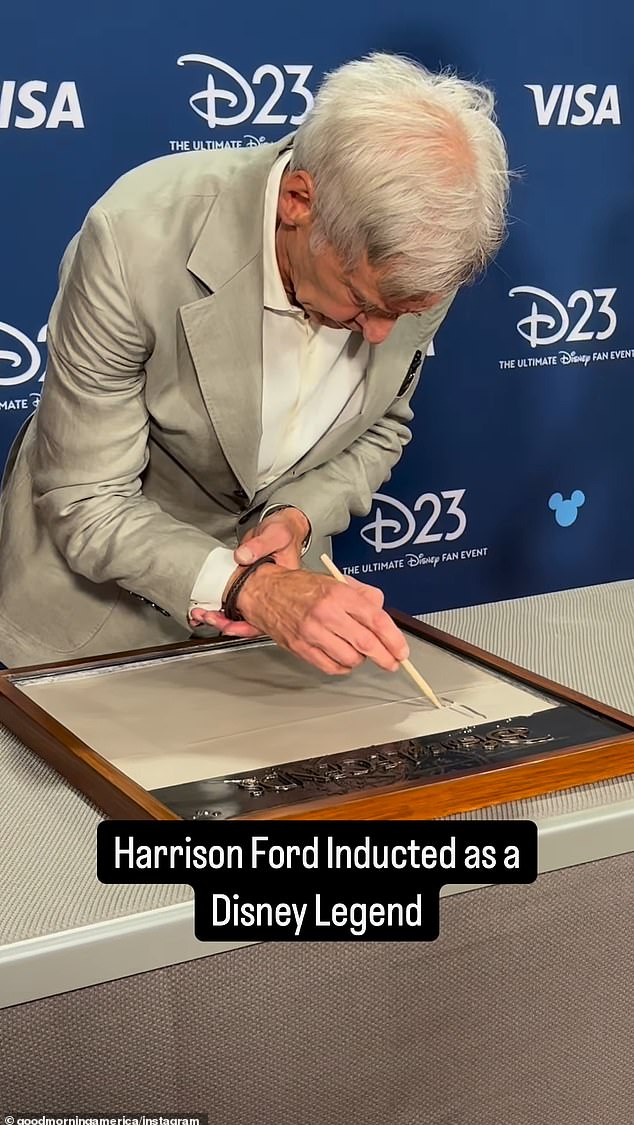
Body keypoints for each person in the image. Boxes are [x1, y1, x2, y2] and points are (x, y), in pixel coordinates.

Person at [0, 53, 509, 671]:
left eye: (404, 312)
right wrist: (249, 588)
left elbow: (383, 426)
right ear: (299, 201)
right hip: (95, 622)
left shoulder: (418, 255)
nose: (380, 335)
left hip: (278, 642)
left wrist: (297, 516)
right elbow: (87, 494)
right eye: (361, 301)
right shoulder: (134, 240)